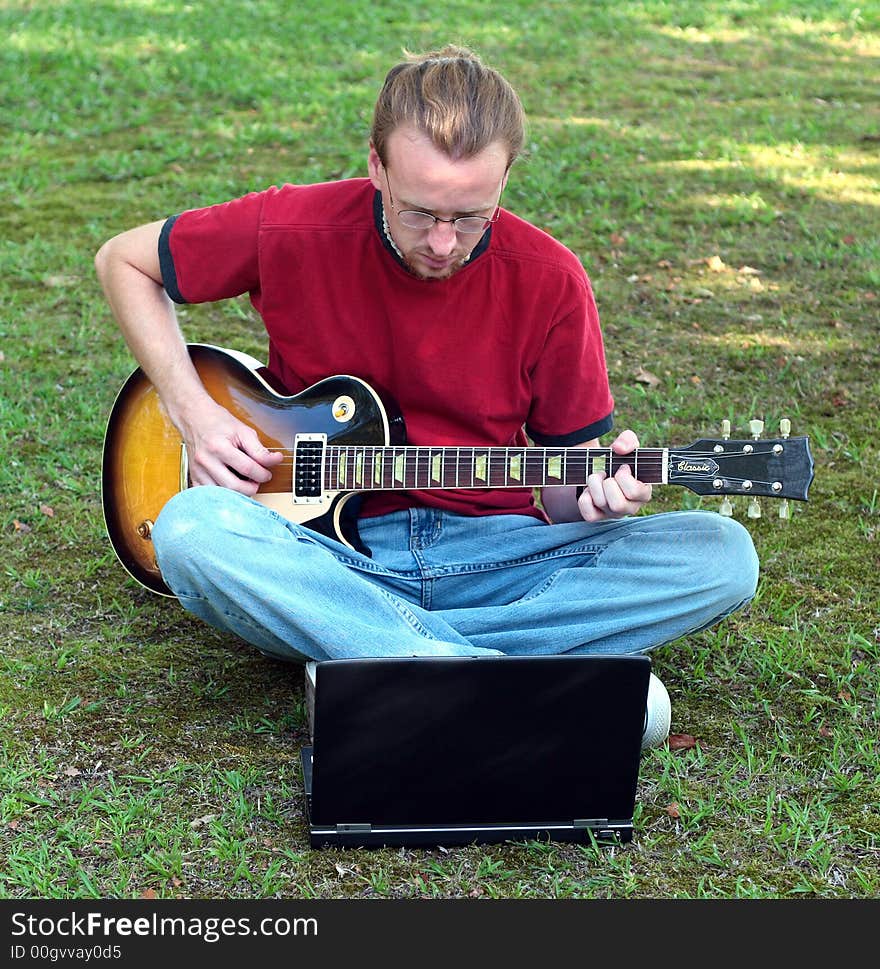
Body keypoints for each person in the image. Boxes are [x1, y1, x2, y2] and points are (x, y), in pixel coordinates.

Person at [94, 46, 759, 726]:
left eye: (471, 216)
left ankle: (388, 650)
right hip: (322, 554)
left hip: (496, 555)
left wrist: (604, 499)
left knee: (722, 555)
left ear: (504, 181)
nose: (444, 242)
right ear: (376, 166)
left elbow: (563, 502)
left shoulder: (552, 281)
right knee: (192, 529)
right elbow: (122, 260)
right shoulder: (292, 227)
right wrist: (195, 414)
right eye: (420, 213)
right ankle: (493, 670)